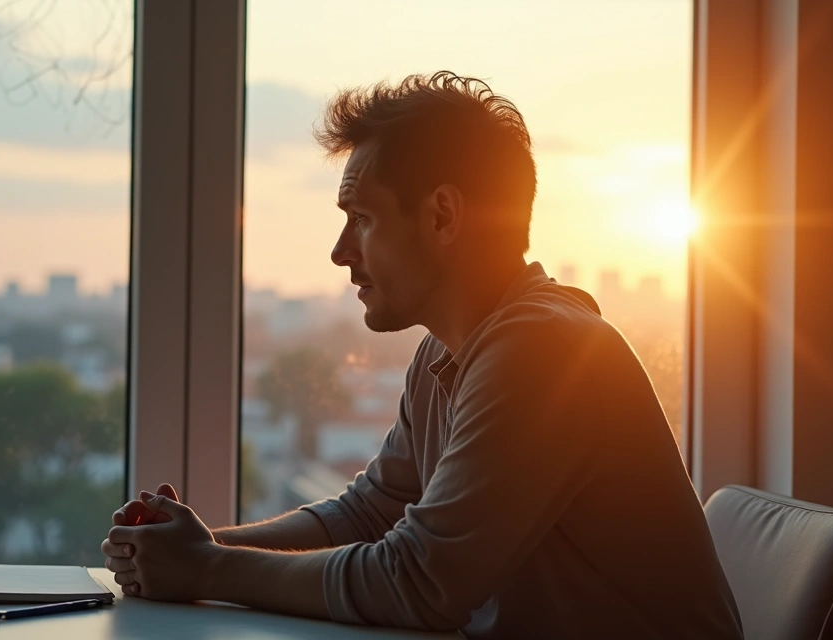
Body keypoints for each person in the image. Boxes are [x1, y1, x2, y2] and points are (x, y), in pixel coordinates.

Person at [101, 71, 743, 638]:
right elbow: (371, 512)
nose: (339, 250)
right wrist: (195, 548)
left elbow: (420, 582)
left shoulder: (543, 352)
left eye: (363, 217)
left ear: (441, 216)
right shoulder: (454, 348)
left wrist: (207, 567)